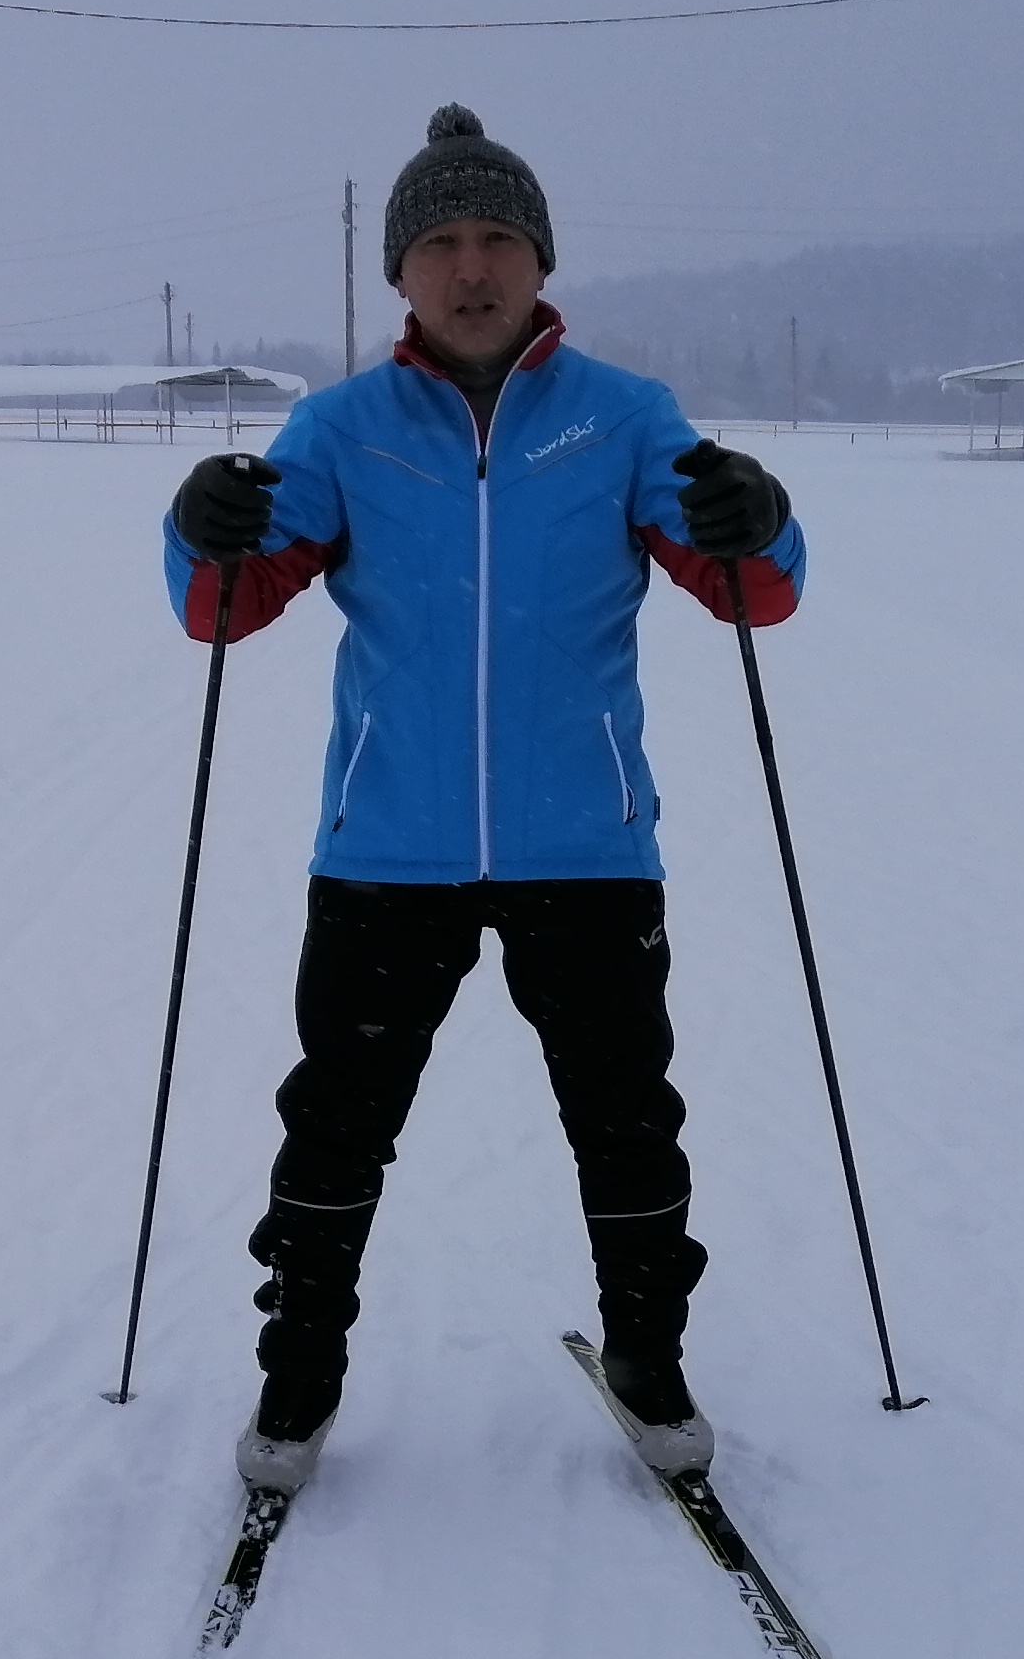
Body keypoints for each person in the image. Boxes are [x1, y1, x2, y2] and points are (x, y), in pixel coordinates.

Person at [163, 103, 799, 1496]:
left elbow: (750, 586)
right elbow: (225, 605)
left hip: (588, 846)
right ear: (400, 269)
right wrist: (199, 529)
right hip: (388, 850)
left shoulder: (623, 417)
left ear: (540, 260)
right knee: (336, 1123)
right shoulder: (342, 429)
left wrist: (758, 513)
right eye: (442, 240)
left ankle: (648, 1356)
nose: (472, 266)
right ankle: (299, 1373)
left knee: (628, 1122)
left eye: (499, 236)